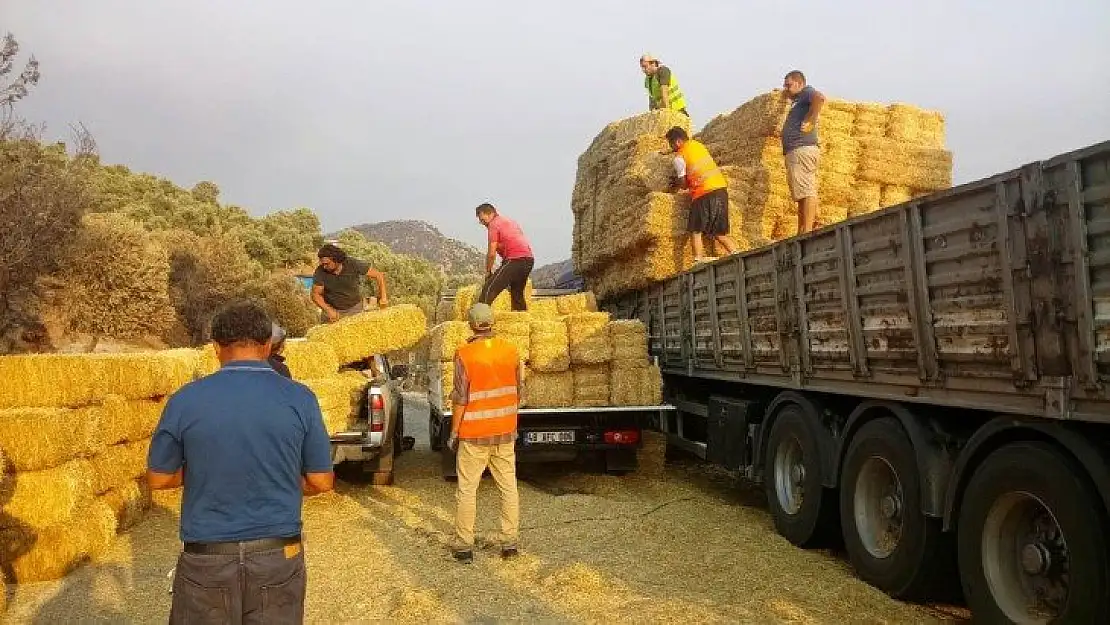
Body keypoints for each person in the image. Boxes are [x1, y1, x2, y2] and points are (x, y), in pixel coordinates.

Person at [147, 299, 334, 624]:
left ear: (216, 347)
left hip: (206, 558)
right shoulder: (300, 398)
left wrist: (204, 470)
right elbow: (321, 481)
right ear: (267, 345)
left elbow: (158, 479)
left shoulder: (184, 400)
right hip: (278, 555)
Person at [447, 303, 522, 563]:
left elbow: (460, 398)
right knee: (508, 487)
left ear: (470, 324)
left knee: (467, 490)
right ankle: (509, 543)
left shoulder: (465, 354)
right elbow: (518, 390)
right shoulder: (511, 350)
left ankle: (464, 546)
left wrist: (454, 431)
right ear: (492, 323)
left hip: (474, 435)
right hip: (504, 432)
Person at [665, 126, 741, 263]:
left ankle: (698, 259)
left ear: (677, 142)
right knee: (719, 232)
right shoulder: (699, 146)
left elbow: (682, 184)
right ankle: (737, 254)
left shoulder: (679, 157)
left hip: (703, 193)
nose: (671, 148)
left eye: (671, 144)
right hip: (720, 189)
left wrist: (675, 182)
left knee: (695, 230)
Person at [781, 70, 826, 235]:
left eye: (788, 84)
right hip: (796, 151)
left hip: (801, 148)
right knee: (801, 193)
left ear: (800, 83)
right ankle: (802, 229)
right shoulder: (798, 99)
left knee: (806, 190)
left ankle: (807, 229)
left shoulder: (807, 92)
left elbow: (819, 98)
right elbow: (785, 95)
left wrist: (811, 119)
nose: (786, 88)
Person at [476, 203, 534, 311]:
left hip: (515, 259)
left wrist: (488, 272)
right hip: (528, 260)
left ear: (490, 213)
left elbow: (491, 253)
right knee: (517, 294)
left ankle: (479, 321)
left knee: (489, 288)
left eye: (482, 219)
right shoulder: (510, 222)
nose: (482, 223)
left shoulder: (493, 225)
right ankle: (520, 323)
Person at [312, 243, 389, 323]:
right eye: (322, 264)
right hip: (332, 312)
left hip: (354, 310)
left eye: (327, 264)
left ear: (336, 260)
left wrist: (383, 297)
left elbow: (379, 275)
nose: (324, 267)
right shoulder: (320, 271)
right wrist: (328, 310)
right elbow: (315, 295)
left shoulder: (352, 263)